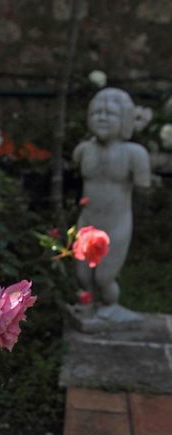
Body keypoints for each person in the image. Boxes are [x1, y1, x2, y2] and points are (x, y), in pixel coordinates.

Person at [73, 88, 150, 314]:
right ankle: (89, 305)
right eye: (96, 112)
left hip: (117, 223)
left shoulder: (135, 154)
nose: (102, 117)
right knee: (82, 274)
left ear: (125, 119)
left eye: (110, 113)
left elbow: (144, 187)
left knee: (105, 276)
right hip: (87, 221)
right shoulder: (84, 150)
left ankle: (110, 306)